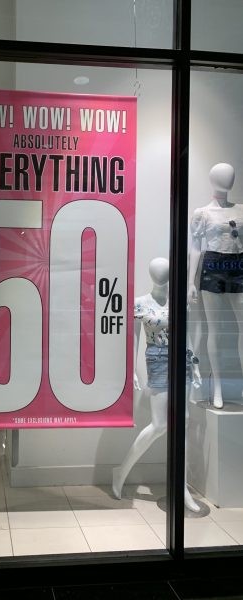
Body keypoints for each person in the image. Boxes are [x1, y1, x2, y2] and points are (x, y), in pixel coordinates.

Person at [112, 257, 202, 512]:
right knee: (160, 425)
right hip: (158, 359)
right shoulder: (140, 303)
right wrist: (132, 370)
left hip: (182, 359)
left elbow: (185, 335)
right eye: (158, 271)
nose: (161, 275)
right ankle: (121, 471)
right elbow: (133, 339)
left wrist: (194, 363)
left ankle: (181, 486)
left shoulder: (179, 301)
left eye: (165, 271)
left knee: (183, 422)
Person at [188, 163, 241, 409]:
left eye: (231, 175)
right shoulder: (203, 213)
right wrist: (191, 281)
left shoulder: (241, 210)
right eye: (223, 175)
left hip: (239, 265)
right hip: (213, 266)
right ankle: (217, 387)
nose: (228, 179)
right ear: (212, 179)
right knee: (215, 330)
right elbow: (196, 248)